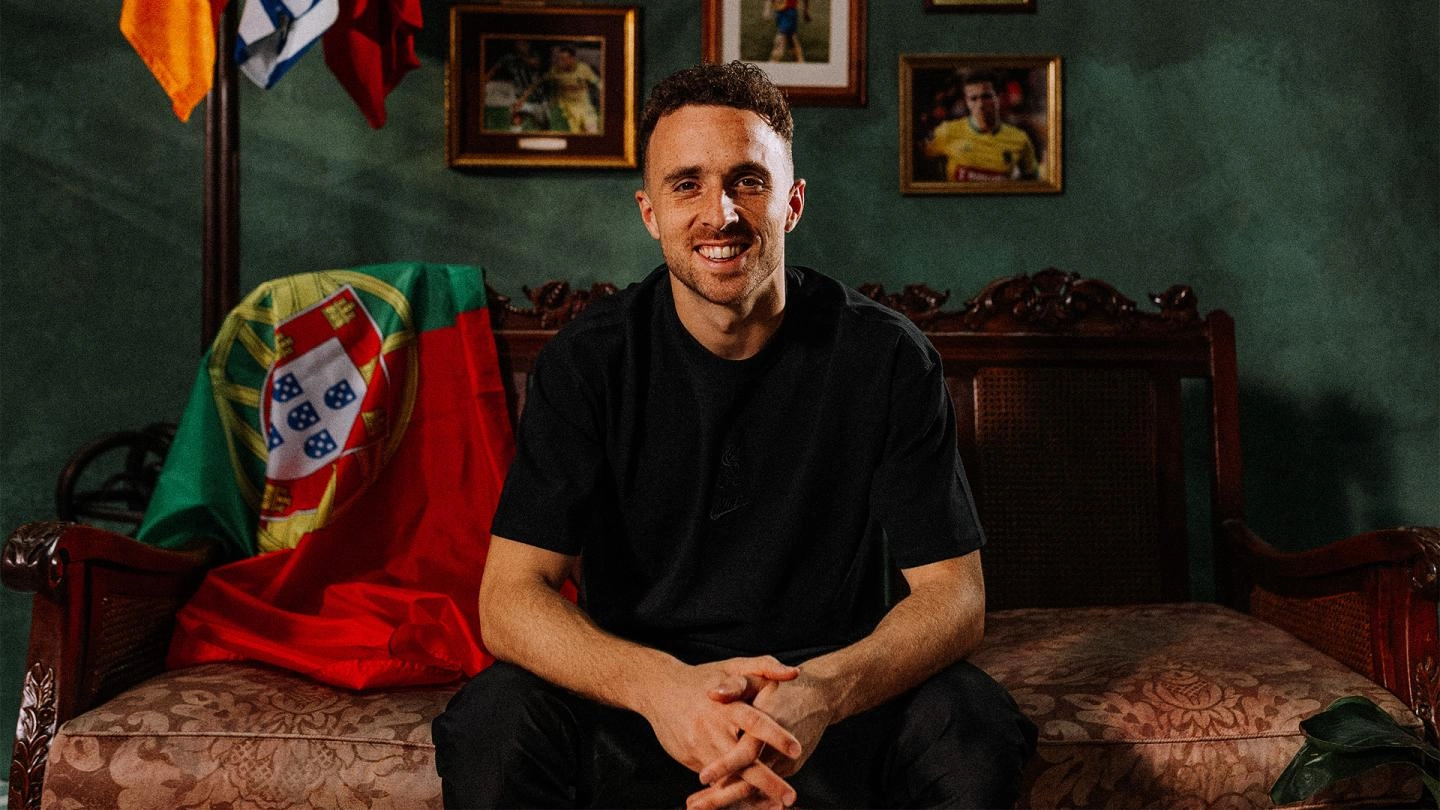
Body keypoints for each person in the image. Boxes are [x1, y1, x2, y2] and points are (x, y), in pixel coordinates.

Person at [432, 61, 1036, 809]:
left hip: (826, 699)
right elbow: (508, 599)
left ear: (793, 202)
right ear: (650, 212)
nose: (719, 213)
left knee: (973, 727)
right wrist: (661, 691)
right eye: (686, 184)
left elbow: (955, 597)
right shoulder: (589, 362)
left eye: (748, 181)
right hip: (641, 702)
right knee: (490, 724)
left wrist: (822, 693)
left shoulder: (885, 358)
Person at [924, 70, 1039, 183]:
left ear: (999, 97)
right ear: (966, 102)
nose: (980, 105)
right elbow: (922, 161)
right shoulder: (946, 131)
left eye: (986, 97)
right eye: (973, 99)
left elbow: (1032, 178)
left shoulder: (1020, 139)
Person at [515, 45, 601, 134]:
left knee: (592, 131)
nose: (560, 62)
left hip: (585, 107)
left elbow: (598, 82)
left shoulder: (583, 69)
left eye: (563, 59)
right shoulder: (555, 71)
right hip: (567, 111)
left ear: (572, 59)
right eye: (559, 59)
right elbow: (537, 83)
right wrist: (522, 99)